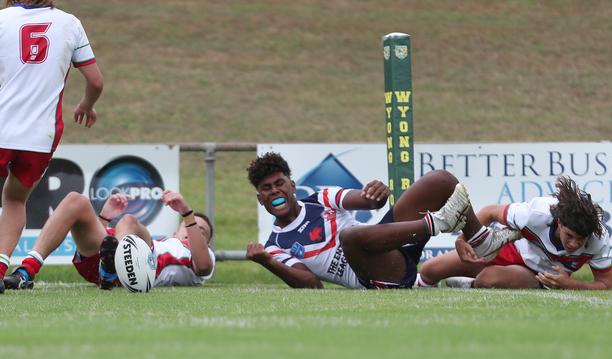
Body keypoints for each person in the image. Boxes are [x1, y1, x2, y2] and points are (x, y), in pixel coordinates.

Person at [245, 152, 519, 289]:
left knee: (440, 181)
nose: (275, 192)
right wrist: (268, 262)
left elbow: (367, 201)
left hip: (391, 241)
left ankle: (480, 239)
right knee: (350, 237)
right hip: (378, 275)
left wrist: (375, 194)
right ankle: (438, 224)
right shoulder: (275, 246)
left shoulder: (321, 198)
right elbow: (311, 285)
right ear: (261, 199)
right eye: (267, 189)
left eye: (279, 183)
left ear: (292, 186)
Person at [0, 0, 103, 292]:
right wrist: (87, 104)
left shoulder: (2, 19)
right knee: (15, 200)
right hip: (39, 135)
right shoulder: (69, 23)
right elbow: (95, 81)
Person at [418, 176, 612, 290]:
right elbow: (490, 211)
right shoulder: (536, 214)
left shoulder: (598, 238)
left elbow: (605, 285)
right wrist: (463, 239)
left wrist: (568, 283)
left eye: (580, 240)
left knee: (488, 278)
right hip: (510, 247)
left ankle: (472, 284)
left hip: (537, 275)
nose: (573, 244)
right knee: (429, 270)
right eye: (569, 236)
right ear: (559, 222)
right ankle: (453, 284)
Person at [3, 190, 215, 290]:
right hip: (102, 265)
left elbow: (203, 266)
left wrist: (187, 214)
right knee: (75, 200)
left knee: (130, 221)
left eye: (202, 231)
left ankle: (113, 265)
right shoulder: (166, 241)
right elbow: (103, 244)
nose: (194, 230)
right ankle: (26, 271)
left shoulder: (201, 257)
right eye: (188, 226)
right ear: (175, 233)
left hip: (142, 269)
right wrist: (104, 218)